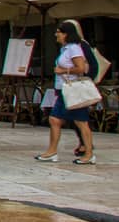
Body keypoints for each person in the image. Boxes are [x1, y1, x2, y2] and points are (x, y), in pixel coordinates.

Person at [35, 19, 98, 165]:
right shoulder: (65, 48)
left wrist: (62, 70)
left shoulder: (74, 48)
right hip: (64, 90)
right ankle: (52, 151)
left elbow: (81, 68)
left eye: (59, 32)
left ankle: (89, 153)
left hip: (73, 90)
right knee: (54, 119)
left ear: (66, 34)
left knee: (81, 122)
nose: (56, 34)